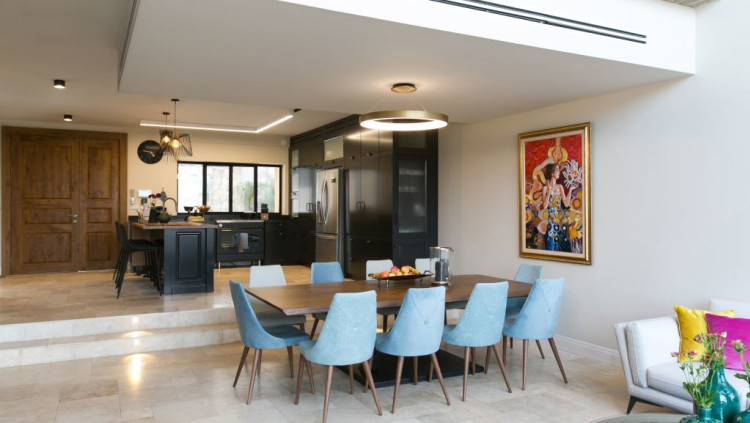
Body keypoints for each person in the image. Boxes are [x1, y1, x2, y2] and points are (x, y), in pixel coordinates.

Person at [541, 163, 577, 251]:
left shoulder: (560, 187)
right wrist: (549, 191)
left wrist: (570, 190)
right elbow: (545, 206)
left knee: (562, 246)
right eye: (557, 170)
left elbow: (566, 204)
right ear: (551, 173)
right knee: (551, 246)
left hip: (561, 221)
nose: (559, 172)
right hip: (551, 222)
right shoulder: (545, 189)